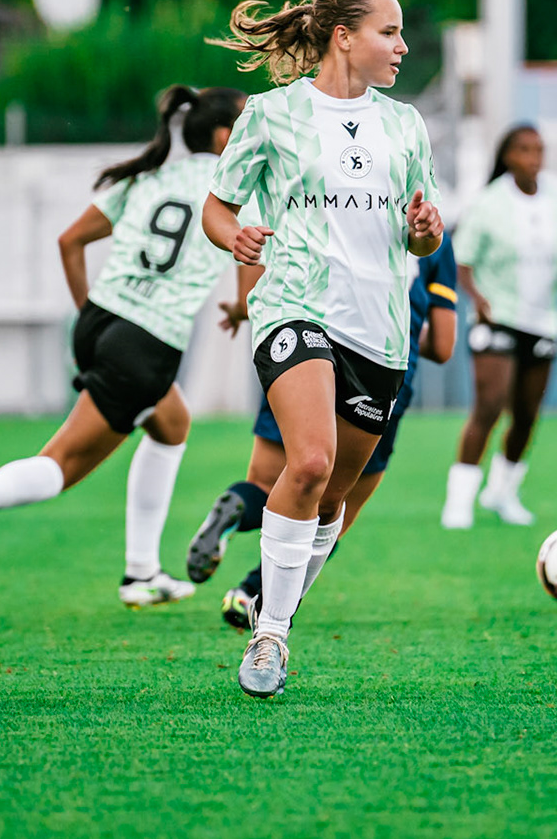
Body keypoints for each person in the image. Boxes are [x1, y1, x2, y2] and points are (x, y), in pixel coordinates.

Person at [0, 85, 248, 609]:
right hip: (146, 340)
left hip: (100, 320)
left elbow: (68, 241)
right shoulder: (232, 185)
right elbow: (250, 263)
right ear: (222, 137)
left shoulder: (149, 176)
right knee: (60, 466)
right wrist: (240, 307)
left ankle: (142, 573)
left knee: (172, 423)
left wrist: (96, 320)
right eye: (246, 122)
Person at [201, 0, 444, 699]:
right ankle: (271, 634)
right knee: (308, 463)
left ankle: (273, 614)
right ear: (344, 36)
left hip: (381, 332)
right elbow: (218, 206)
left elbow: (423, 236)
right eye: (389, 32)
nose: (402, 46)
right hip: (295, 307)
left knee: (333, 501)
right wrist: (235, 237)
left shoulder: (406, 124)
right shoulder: (271, 114)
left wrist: (424, 230)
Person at [189, 230, 457, 629]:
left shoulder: (324, 205)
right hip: (378, 375)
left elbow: (257, 273)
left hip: (298, 356)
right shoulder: (433, 237)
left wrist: (244, 308)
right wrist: (406, 321)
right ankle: (252, 595)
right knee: (333, 510)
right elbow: (444, 345)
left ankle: (237, 506)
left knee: (267, 484)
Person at [441, 124, 557, 529]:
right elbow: (463, 261)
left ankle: (502, 492)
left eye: (538, 150)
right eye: (524, 150)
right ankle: (458, 502)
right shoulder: (489, 203)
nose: (533, 158)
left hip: (542, 320)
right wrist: (479, 300)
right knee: (489, 406)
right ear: (507, 156)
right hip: (497, 317)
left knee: (526, 415)